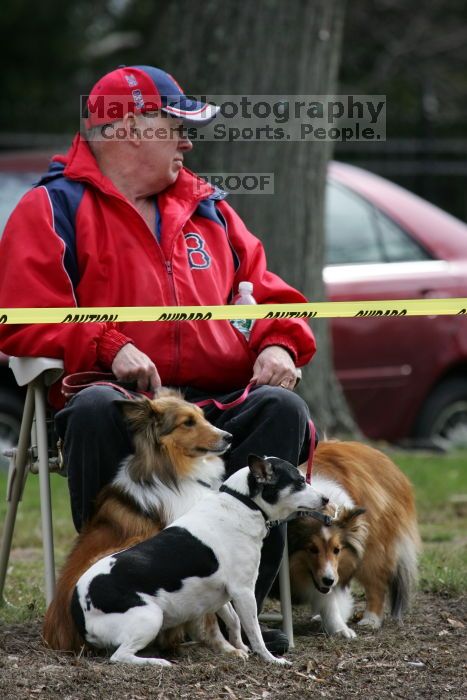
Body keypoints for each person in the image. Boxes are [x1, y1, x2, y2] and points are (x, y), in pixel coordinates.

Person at [0, 66, 316, 654]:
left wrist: (278, 339)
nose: (187, 141)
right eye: (175, 125)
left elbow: (268, 293)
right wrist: (107, 344)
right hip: (123, 402)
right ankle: (117, 599)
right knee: (96, 406)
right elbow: (19, 319)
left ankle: (237, 605)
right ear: (129, 129)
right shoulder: (48, 209)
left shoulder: (212, 210)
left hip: (220, 402)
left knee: (282, 406)